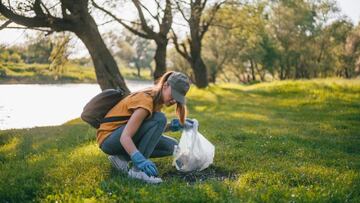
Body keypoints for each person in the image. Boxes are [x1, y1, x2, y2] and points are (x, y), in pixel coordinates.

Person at [96, 71, 193, 184]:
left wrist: (173, 126)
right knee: (160, 118)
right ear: (165, 85)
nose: (174, 101)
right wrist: (140, 161)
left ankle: (121, 158)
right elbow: (125, 137)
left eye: (178, 98)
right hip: (109, 140)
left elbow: (147, 128)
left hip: (118, 136)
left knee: (173, 146)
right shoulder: (146, 101)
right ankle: (137, 171)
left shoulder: (156, 98)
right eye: (173, 95)